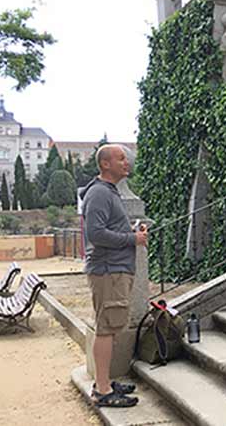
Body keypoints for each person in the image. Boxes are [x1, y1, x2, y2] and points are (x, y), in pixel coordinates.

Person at [82, 144, 147, 407]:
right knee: (106, 330)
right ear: (105, 164)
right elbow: (96, 234)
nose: (126, 162)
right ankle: (103, 391)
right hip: (109, 271)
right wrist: (133, 238)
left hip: (114, 270)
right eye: (120, 158)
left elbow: (105, 229)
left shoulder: (107, 192)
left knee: (109, 327)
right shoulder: (99, 193)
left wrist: (130, 230)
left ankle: (104, 382)